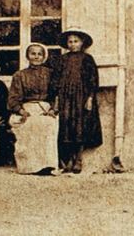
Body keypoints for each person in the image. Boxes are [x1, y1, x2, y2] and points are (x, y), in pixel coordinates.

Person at [51, 27, 102, 174]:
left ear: (82, 43)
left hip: (81, 96)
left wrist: (90, 98)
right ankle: (68, 160)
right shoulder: (62, 60)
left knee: (80, 127)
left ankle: (78, 159)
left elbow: (93, 80)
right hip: (65, 97)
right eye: (70, 42)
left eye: (76, 41)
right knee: (66, 126)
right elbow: (56, 80)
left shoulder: (87, 59)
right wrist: (56, 99)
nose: (73, 44)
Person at [8, 43, 59, 175]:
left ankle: (48, 165)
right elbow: (13, 98)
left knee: (48, 124)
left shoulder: (51, 74)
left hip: (45, 107)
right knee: (28, 125)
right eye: (33, 53)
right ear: (27, 56)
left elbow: (56, 95)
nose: (36, 57)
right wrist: (21, 110)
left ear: (43, 57)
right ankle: (29, 167)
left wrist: (53, 109)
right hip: (27, 108)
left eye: (39, 54)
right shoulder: (19, 75)